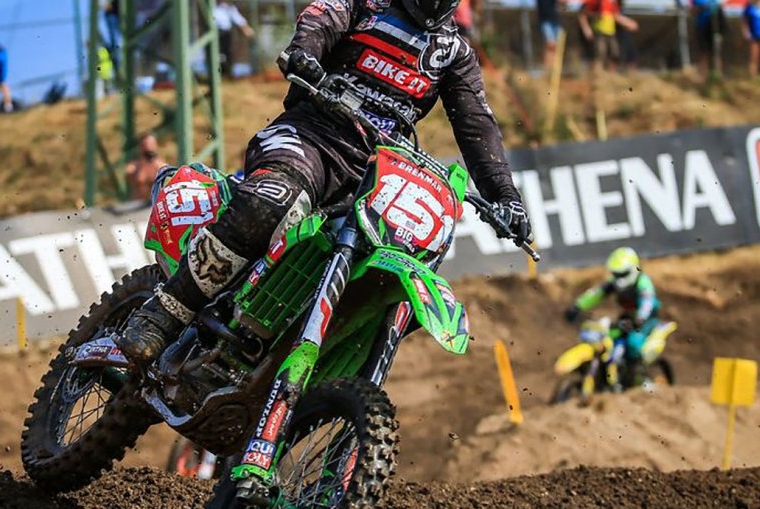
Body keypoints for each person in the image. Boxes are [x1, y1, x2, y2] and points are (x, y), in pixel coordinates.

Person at [116, 0, 532, 369]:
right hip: (310, 136)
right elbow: (320, 19)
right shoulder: (367, 4)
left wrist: (505, 197)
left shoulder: (454, 52)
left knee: (395, 263)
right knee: (273, 204)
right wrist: (305, 57)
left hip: (376, 171)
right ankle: (164, 312)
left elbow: (477, 126)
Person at [564, 247, 660, 378]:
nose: (619, 278)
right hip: (627, 317)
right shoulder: (613, 283)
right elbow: (596, 294)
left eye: (622, 274)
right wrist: (577, 306)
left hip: (646, 320)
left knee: (633, 344)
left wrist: (641, 318)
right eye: (616, 274)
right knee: (608, 339)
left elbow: (647, 302)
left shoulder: (643, 283)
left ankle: (634, 375)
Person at [213, 0, 255, 78]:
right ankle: (217, 75)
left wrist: (247, 30)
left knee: (227, 54)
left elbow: (240, 20)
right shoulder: (212, 8)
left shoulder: (230, 8)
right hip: (214, 35)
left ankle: (227, 74)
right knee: (217, 55)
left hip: (225, 35)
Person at [579, 0, 621, 72]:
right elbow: (583, 15)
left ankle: (611, 74)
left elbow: (616, 16)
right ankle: (595, 73)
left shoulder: (613, 3)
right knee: (599, 53)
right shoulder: (596, 2)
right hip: (599, 33)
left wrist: (628, 23)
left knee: (614, 53)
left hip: (611, 33)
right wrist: (586, 28)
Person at [126, 133, 168, 201]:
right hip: (138, 203)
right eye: (145, 145)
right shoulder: (134, 167)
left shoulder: (162, 167)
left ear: (156, 145)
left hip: (156, 202)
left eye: (151, 144)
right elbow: (128, 175)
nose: (148, 147)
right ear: (140, 147)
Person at [692, 0, 725, 77]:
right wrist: (702, 8)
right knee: (703, 52)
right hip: (702, 27)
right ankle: (703, 75)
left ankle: (717, 74)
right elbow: (693, 12)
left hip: (714, 29)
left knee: (716, 53)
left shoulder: (714, 1)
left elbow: (720, 11)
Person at [538, 0, 564, 70]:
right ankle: (547, 68)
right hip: (545, 21)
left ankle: (554, 69)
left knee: (557, 46)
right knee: (550, 44)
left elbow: (562, 4)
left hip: (556, 21)